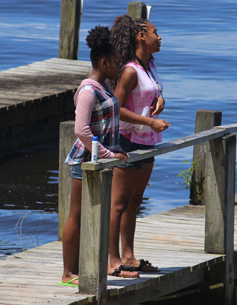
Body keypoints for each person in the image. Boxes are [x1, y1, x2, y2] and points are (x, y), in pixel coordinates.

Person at [60, 25, 131, 287]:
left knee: (92, 216)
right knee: (76, 216)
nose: (118, 67)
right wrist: (105, 152)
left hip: (101, 160)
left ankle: (86, 266)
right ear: (103, 62)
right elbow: (81, 129)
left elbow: (108, 124)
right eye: (115, 62)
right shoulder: (89, 91)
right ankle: (69, 272)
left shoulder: (104, 88)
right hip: (85, 161)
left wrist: (117, 150)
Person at [108, 15, 171, 274]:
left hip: (147, 141)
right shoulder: (131, 70)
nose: (161, 37)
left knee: (135, 203)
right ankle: (112, 261)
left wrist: (161, 101)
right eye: (156, 32)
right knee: (119, 204)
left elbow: (153, 93)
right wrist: (149, 120)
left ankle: (130, 256)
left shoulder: (149, 66)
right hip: (127, 141)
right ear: (141, 36)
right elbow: (115, 108)